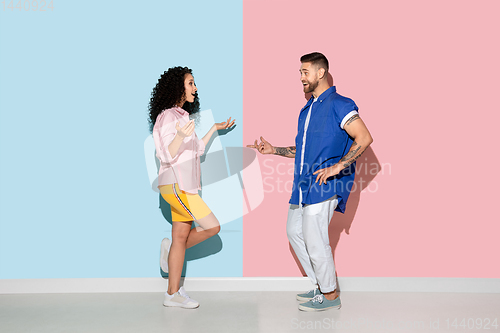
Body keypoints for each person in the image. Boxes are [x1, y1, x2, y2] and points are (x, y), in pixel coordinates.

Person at [248, 52, 373, 312]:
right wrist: (274, 150)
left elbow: (364, 137)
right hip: (303, 185)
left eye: (305, 72)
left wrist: (338, 166)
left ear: (321, 73)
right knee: (294, 232)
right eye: (300, 73)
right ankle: (320, 285)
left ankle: (330, 296)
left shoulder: (341, 103)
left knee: (316, 239)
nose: (301, 77)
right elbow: (303, 148)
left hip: (326, 185)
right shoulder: (308, 109)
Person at [148, 66, 235, 309]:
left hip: (182, 186)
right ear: (178, 87)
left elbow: (196, 150)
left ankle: (172, 293)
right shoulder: (168, 116)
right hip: (176, 185)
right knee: (212, 227)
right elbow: (165, 153)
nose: (195, 88)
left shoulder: (182, 117)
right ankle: (169, 254)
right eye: (190, 83)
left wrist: (214, 130)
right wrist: (177, 137)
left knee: (180, 237)